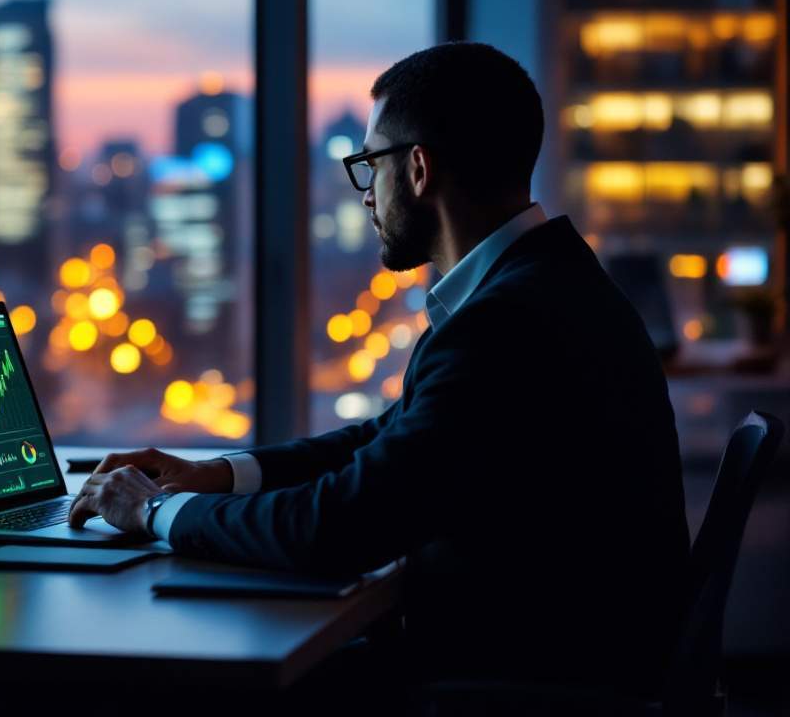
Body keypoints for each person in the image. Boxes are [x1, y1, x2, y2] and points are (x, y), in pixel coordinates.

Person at [68, 42, 690, 694]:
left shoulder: (504, 323)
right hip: (559, 654)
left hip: (520, 678)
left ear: (418, 168)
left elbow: (342, 527)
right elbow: (383, 440)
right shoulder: (548, 281)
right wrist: (218, 474)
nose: (366, 195)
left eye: (370, 165)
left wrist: (159, 511)